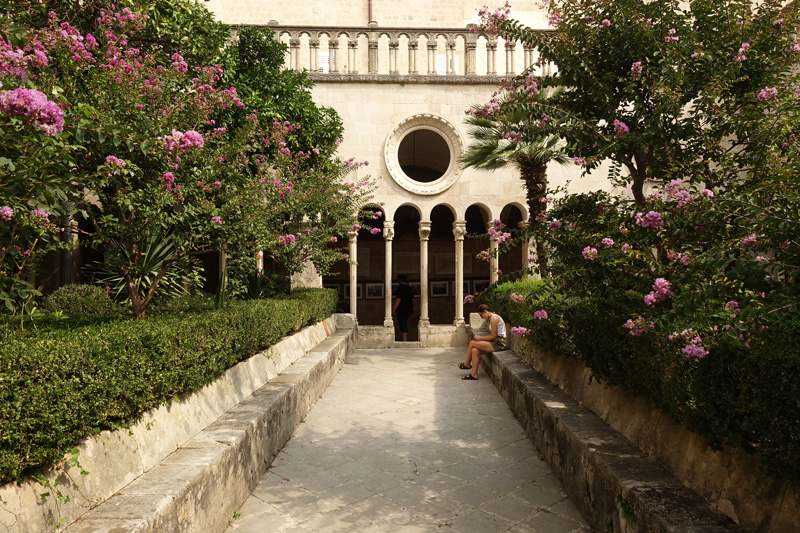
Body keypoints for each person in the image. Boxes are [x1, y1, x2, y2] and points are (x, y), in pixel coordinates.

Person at [460, 303, 506, 380]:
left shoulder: (494, 319)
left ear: (485, 311)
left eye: (481, 315)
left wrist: (480, 338)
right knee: (474, 351)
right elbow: (492, 335)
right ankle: (474, 374)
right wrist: (480, 338)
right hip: (495, 341)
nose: (481, 318)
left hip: (499, 343)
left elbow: (494, 336)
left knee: (472, 343)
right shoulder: (492, 318)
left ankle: (466, 364)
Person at [392, 274, 414, 341]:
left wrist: (394, 309)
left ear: (400, 280)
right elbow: (412, 300)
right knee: (403, 322)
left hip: (402, 309)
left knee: (402, 323)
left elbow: (398, 300)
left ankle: (405, 339)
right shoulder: (409, 288)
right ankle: (404, 338)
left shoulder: (400, 288)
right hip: (408, 308)